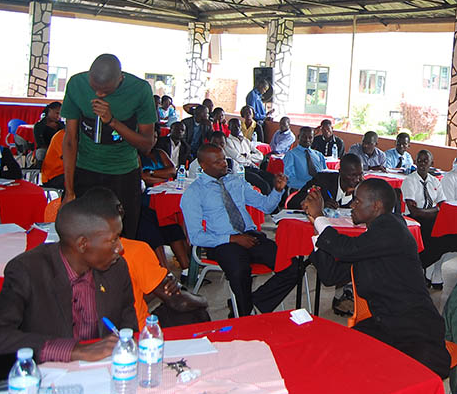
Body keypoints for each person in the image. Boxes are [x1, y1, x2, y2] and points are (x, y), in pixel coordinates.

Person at [303, 178, 452, 378]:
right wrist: (315, 226)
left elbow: (346, 249)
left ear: (376, 206)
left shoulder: (393, 228)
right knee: (337, 359)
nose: (352, 206)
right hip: (385, 324)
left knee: (405, 378)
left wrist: (321, 217)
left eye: (357, 201)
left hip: (416, 329)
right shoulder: (372, 240)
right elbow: (331, 275)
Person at [0, 193, 135, 362]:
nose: (120, 248)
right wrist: (74, 351)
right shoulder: (28, 271)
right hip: (48, 376)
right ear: (83, 244)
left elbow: (129, 327)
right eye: (113, 240)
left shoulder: (116, 269)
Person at [180, 145, 297, 316]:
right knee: (240, 270)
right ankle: (244, 315)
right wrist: (232, 239)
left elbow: (265, 206)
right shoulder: (194, 193)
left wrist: (277, 191)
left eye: (223, 158)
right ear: (203, 166)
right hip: (222, 243)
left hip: (250, 236)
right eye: (217, 162)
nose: (224, 163)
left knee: (292, 266)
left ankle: (253, 303)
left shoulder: (236, 181)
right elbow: (196, 237)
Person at [61, 54, 157, 239]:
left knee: (123, 237)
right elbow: (70, 139)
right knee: (82, 236)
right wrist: (70, 190)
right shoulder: (76, 84)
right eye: (95, 88)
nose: (99, 95)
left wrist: (112, 121)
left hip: (123, 173)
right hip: (85, 170)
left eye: (105, 91)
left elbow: (146, 144)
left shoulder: (140, 90)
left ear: (120, 79)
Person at [85, 187, 207, 329]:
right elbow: (179, 302)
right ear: (120, 211)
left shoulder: (72, 254)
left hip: (90, 336)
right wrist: (203, 300)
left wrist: (150, 282)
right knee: (193, 312)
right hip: (135, 332)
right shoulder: (134, 250)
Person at [287, 153, 364, 315]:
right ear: (340, 171)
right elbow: (295, 200)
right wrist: (317, 203)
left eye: (360, 174)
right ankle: (343, 295)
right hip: (321, 238)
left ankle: (346, 295)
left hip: (349, 238)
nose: (357, 179)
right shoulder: (323, 180)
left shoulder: (364, 188)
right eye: (352, 175)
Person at [402, 149, 457, 289]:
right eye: (419, 161)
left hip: (431, 218)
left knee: (450, 235)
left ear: (431, 163)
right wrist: (435, 211)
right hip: (413, 220)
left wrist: (430, 211)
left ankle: (428, 267)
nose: (422, 164)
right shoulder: (410, 180)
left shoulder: (435, 181)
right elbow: (414, 211)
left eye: (425, 161)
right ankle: (423, 266)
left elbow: (443, 206)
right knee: (435, 236)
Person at [136, 127, 191, 275]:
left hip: (163, 196)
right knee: (156, 228)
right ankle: (165, 273)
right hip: (145, 201)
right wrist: (161, 177)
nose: (151, 141)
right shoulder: (136, 156)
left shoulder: (160, 153)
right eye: (148, 137)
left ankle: (186, 270)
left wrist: (152, 173)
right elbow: (142, 177)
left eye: (154, 137)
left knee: (173, 225)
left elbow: (173, 172)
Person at [284, 126, 326, 191]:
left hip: (319, 190)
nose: (307, 140)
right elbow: (289, 179)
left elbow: (325, 174)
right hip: (300, 190)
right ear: (298, 137)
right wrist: (309, 186)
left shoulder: (319, 155)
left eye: (310, 137)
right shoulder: (291, 155)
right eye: (304, 137)